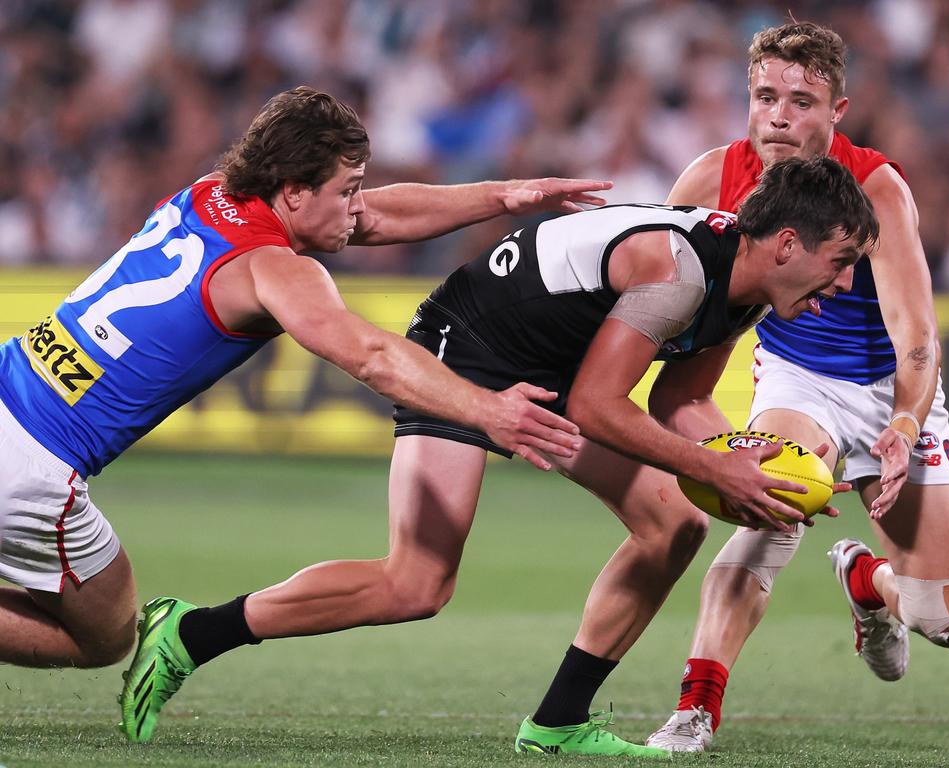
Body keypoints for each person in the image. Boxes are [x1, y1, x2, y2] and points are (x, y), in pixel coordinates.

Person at [117, 155, 876, 754]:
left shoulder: (744, 287)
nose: (842, 285)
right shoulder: (679, 270)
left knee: (675, 523)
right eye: (840, 262)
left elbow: (678, 405)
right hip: (465, 353)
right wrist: (715, 467)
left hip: (553, 373)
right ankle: (190, 632)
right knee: (416, 585)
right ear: (785, 244)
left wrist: (768, 467)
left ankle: (558, 722)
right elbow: (596, 408)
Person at [0, 87, 611, 676]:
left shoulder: (211, 193)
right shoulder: (275, 270)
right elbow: (371, 355)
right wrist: (488, 410)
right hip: (31, 466)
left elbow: (373, 217)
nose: (358, 205)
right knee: (105, 635)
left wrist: (502, 196)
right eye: (347, 190)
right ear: (293, 192)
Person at [644, 22, 949, 754]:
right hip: (798, 380)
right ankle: (696, 706)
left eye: (801, 100)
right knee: (770, 508)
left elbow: (916, 336)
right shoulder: (709, 180)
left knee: (947, 624)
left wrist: (900, 429)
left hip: (896, 388)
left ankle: (867, 580)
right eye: (765, 96)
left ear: (838, 112)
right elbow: (657, 296)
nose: (779, 115)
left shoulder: (878, 189)